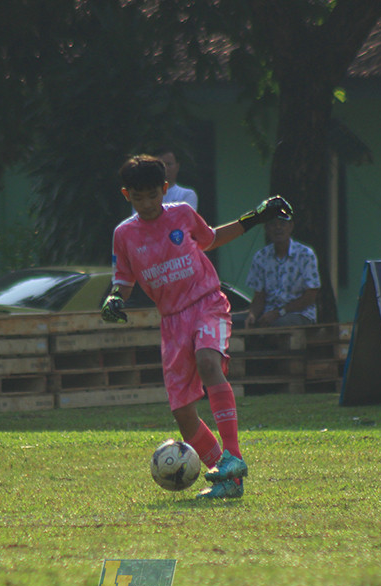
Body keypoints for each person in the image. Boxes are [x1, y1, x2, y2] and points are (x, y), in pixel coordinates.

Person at [102, 154, 291, 499]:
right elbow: (124, 281)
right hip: (172, 322)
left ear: (164, 189)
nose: (147, 204)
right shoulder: (124, 234)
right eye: (138, 197)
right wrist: (114, 298)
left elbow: (211, 238)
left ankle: (233, 455)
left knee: (207, 361)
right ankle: (229, 479)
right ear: (126, 195)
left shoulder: (182, 214)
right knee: (183, 413)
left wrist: (256, 217)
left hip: (207, 303)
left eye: (152, 195)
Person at [239, 215, 320, 327]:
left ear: (291, 226)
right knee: (230, 322)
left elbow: (310, 296)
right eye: (273, 224)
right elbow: (259, 297)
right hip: (267, 314)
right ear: (266, 228)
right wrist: (252, 315)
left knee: (278, 324)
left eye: (282, 223)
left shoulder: (306, 255)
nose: (278, 228)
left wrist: (279, 312)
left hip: (299, 314)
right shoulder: (261, 257)